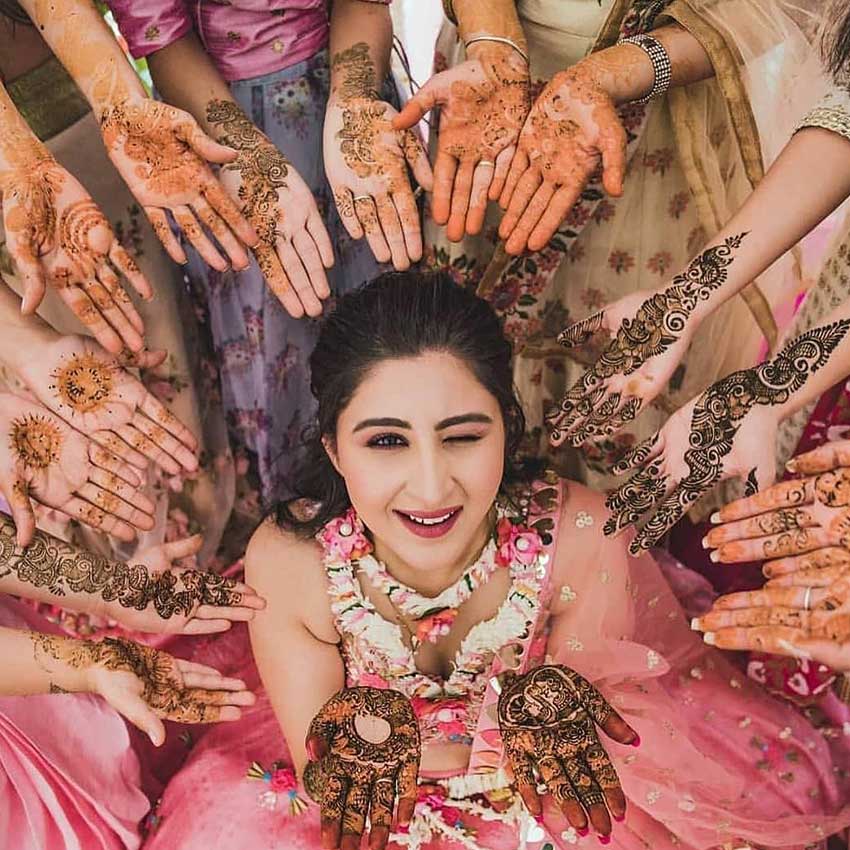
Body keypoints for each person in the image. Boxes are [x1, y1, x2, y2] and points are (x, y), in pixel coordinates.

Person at [142, 271, 850, 850]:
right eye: (385, 442)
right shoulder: (291, 560)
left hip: (553, 790)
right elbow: (327, 772)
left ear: (507, 435)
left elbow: (594, 740)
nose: (430, 486)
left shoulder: (582, 533)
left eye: (462, 437)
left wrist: (495, 739)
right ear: (332, 450)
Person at [402, 0, 824, 496]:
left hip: (666, 124)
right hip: (487, 90)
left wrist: (624, 69)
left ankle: (597, 545)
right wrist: (492, 35)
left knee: (623, 361)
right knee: (456, 344)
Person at [105, 0, 433, 504]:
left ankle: (410, 490)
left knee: (394, 330)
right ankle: (307, 513)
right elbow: (163, 41)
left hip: (348, 99)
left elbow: (363, 5)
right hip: (226, 133)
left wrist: (353, 103)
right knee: (279, 342)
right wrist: (250, 156)